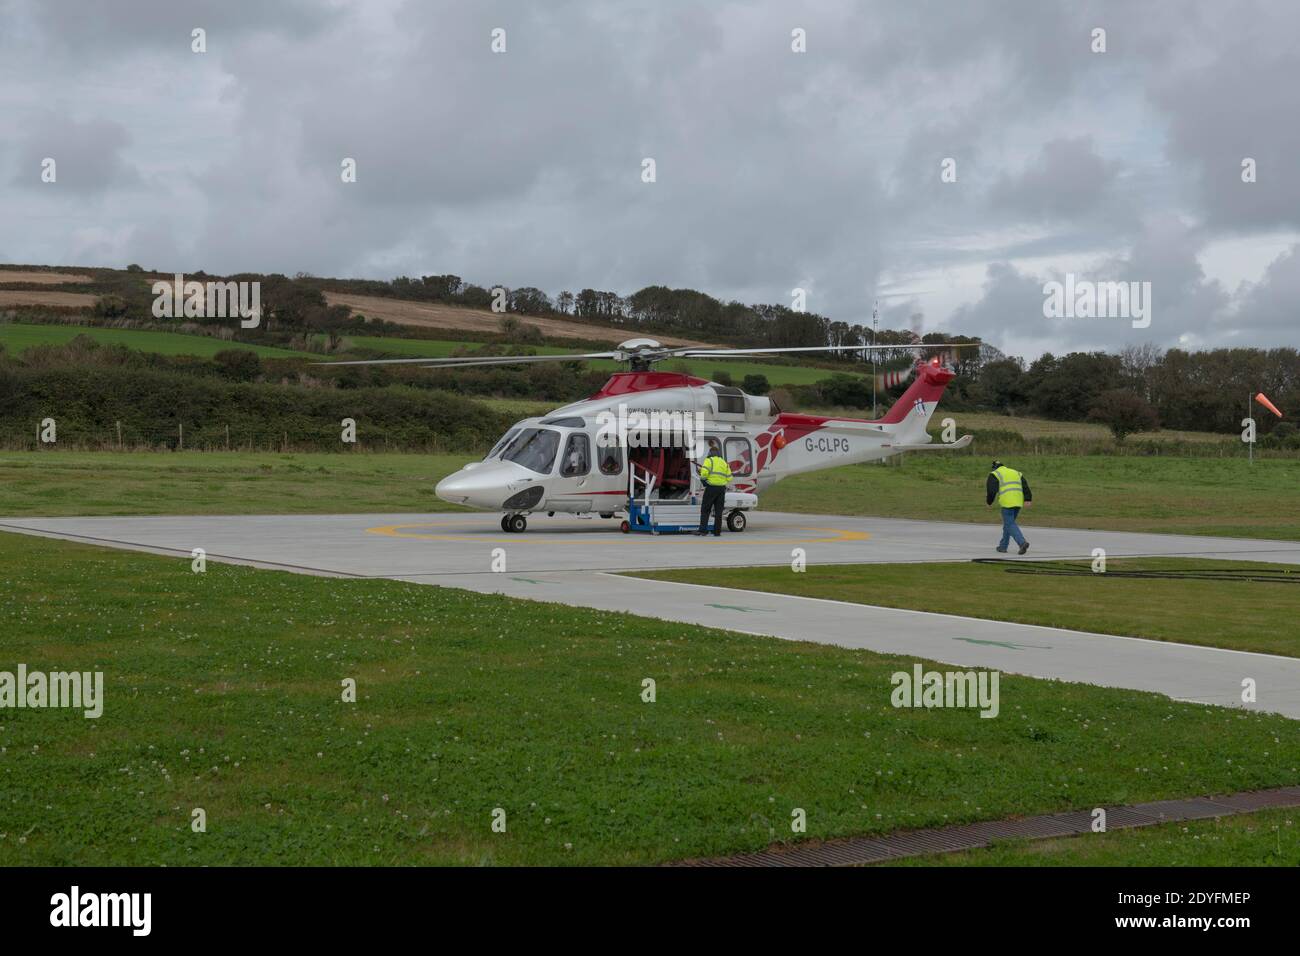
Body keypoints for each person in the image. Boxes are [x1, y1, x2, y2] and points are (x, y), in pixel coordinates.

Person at [986, 459, 1032, 554]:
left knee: (1010, 524)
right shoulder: (1016, 472)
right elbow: (1025, 486)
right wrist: (1028, 499)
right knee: (1008, 524)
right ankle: (1003, 546)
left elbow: (991, 490)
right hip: (1018, 501)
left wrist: (989, 502)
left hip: (1007, 502)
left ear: (994, 467)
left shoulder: (994, 474)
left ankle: (1022, 542)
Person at [694, 439, 732, 536]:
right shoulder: (724, 462)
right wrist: (721, 482)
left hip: (711, 488)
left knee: (705, 509)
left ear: (710, 452)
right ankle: (717, 532)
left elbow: (704, 474)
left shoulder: (709, 460)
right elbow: (729, 477)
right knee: (719, 511)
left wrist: (702, 477)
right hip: (721, 489)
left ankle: (703, 530)